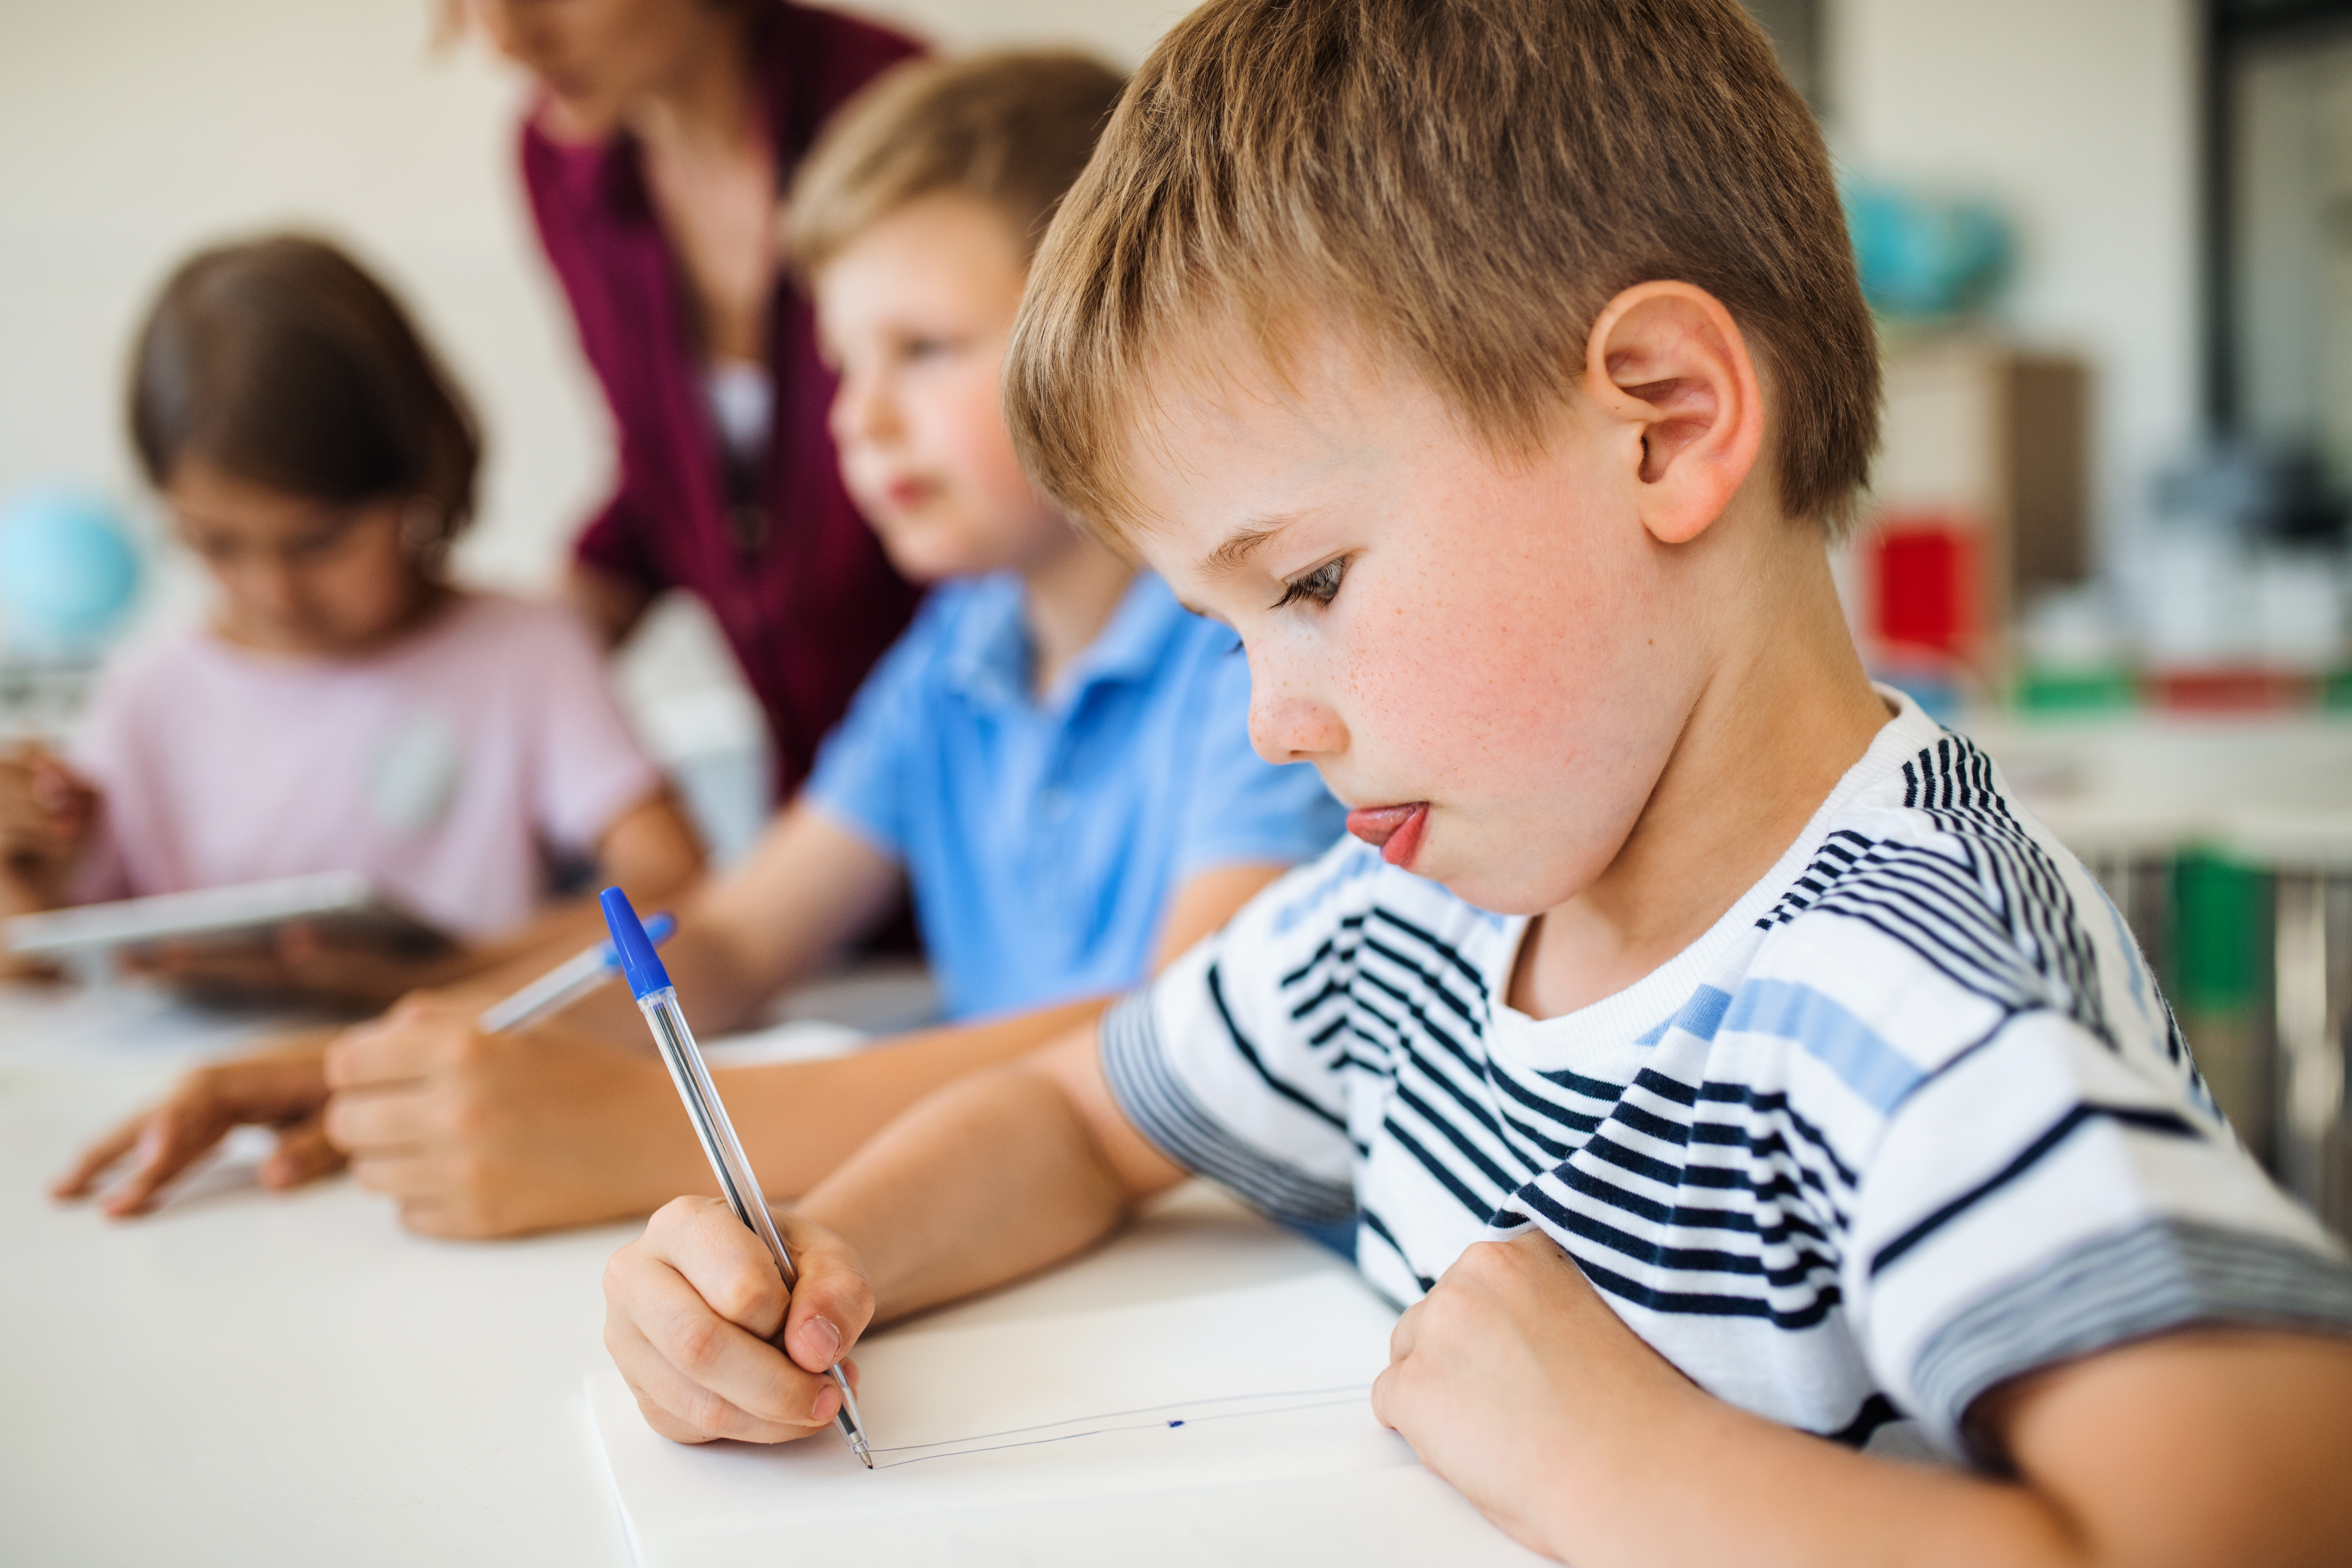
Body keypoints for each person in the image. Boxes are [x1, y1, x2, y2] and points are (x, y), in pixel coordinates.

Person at [600, 3, 2352, 1563]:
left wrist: (1620, 1465)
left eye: (1305, 587)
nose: (1272, 723)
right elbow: (1078, 1116)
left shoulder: (1916, 999)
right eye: (1224, 632)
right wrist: (817, 1262)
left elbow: (2263, 1517)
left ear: (1662, 424)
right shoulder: (1406, 920)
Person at [54, 54, 1343, 1241]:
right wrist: (391, 1062)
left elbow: (1178, 1041)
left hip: (1204, 1260)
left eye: (923, 351)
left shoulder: (1248, 656)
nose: (861, 421)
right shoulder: (951, 658)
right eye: (842, 364)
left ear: (1106, 346)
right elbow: (728, 945)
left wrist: (652, 1131)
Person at [0, 235, 701, 1013]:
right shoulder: (147, 698)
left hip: (459, 1076)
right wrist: (24, 878)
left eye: (317, 542)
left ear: (418, 480)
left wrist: (447, 969)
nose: (273, 591)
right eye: (216, 543)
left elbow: (675, 883)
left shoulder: (525, 654)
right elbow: (33, 969)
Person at [469, 0, 925, 803]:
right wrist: (502, 663)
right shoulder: (560, 160)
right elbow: (665, 480)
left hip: (969, 744)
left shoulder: (895, 113)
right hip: (811, 782)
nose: (507, 38)